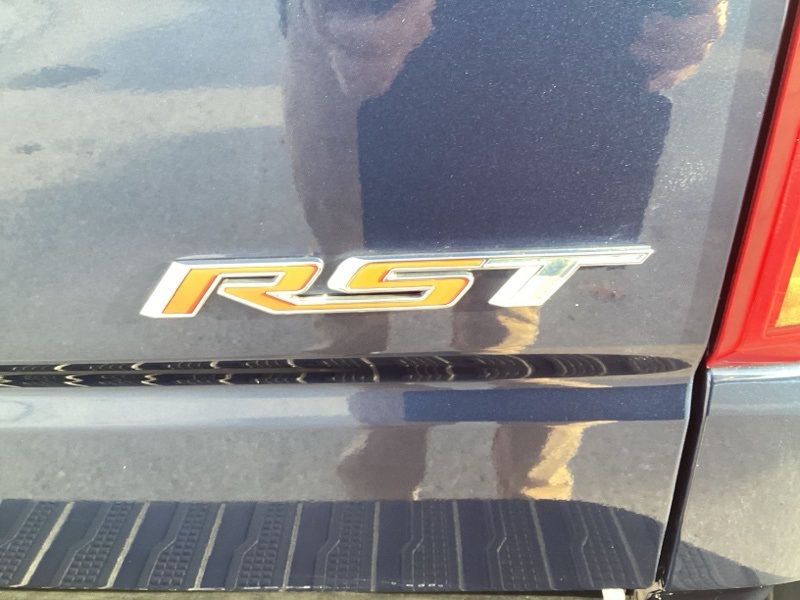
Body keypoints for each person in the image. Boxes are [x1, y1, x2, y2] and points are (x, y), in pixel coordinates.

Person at [281, 0, 726, 499]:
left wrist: (699, 8)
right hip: (369, 27)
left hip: (569, 37)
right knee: (362, 276)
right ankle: (380, 486)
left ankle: (531, 502)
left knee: (520, 285)